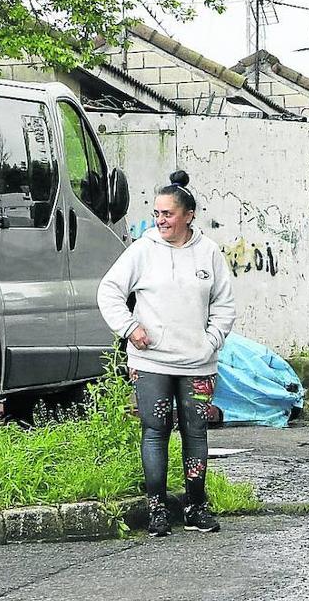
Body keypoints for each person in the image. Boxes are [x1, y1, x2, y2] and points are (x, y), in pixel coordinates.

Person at [97, 171, 236, 538]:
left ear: (189, 215)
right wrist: (130, 328)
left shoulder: (209, 252)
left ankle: (196, 506)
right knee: (155, 430)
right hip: (151, 362)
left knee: (196, 431)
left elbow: (224, 304)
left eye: (168, 214)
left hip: (197, 362)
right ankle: (157, 509)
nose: (160, 221)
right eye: (157, 213)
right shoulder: (142, 251)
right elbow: (109, 291)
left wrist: (211, 341)